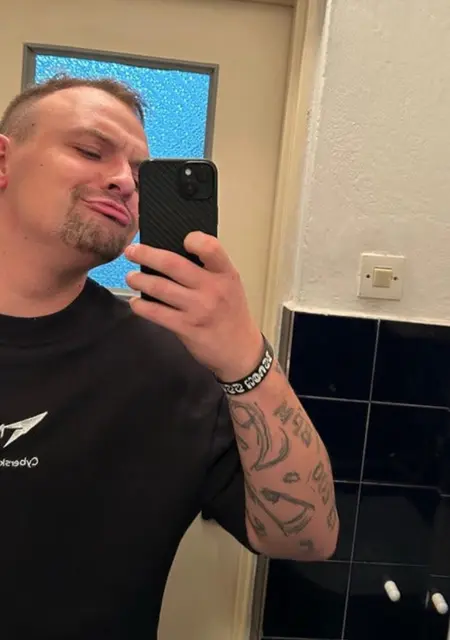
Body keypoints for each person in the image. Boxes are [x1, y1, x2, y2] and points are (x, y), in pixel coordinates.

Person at [0, 75, 339, 639]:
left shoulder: (171, 363)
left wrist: (245, 359)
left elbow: (306, 537)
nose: (123, 182)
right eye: (90, 150)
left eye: (140, 175)